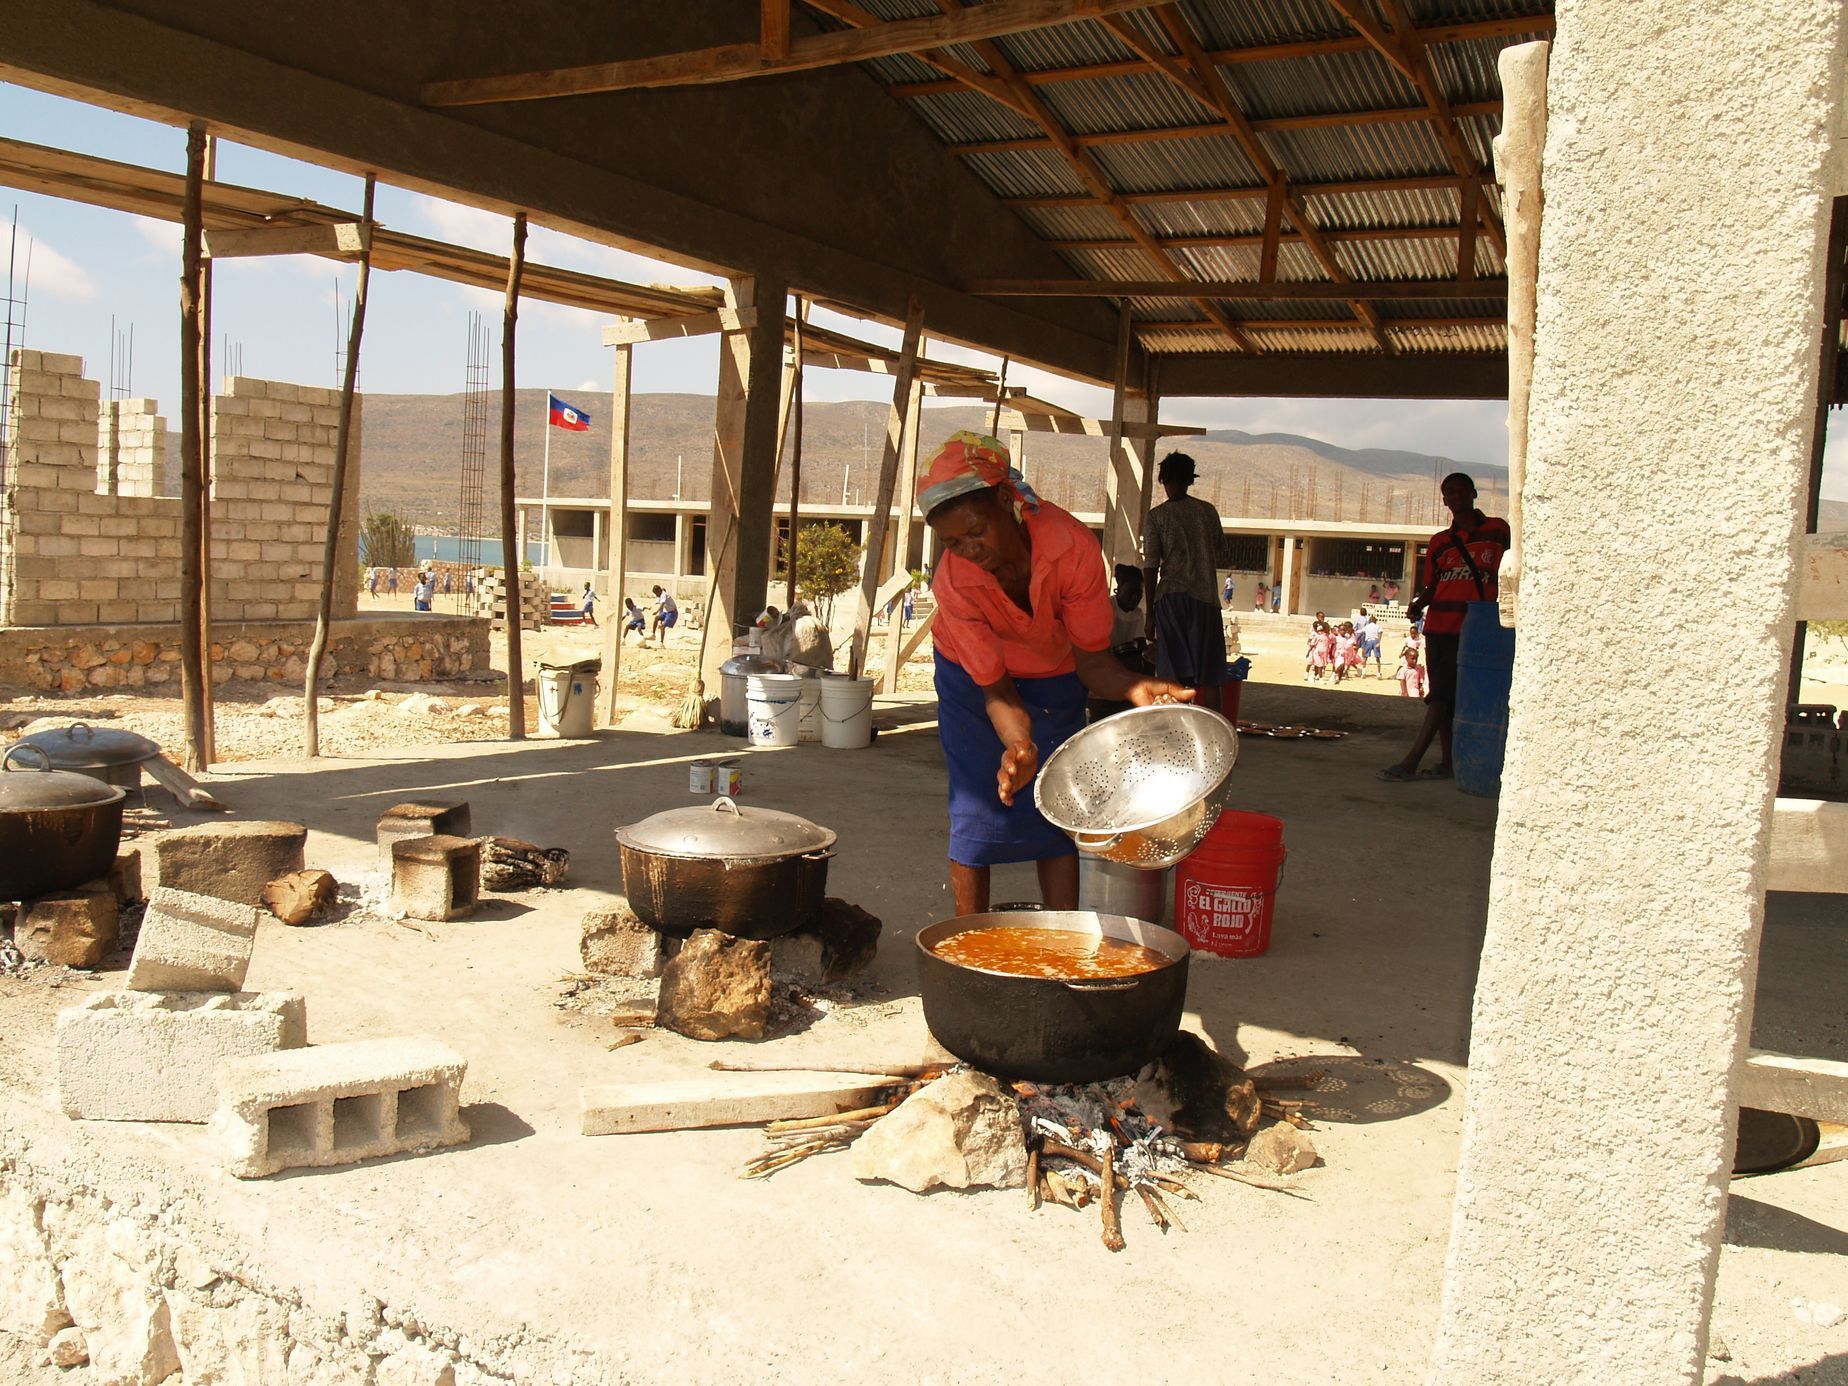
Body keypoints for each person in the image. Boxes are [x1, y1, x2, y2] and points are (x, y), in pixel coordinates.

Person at [921, 432, 1188, 916]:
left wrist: (1132, 685)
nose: (969, 550)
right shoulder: (954, 580)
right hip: (972, 681)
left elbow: (1092, 663)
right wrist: (1019, 745)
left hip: (1055, 673)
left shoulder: (1071, 549)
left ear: (1006, 501)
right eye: (953, 542)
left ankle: (1063, 933)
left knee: (1060, 805)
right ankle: (965, 947)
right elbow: (996, 687)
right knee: (976, 810)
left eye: (976, 532)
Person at [1378, 472, 1510, 782]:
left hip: (1474, 627)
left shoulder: (1497, 530)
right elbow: (1435, 585)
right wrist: (1418, 604)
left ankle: (1411, 762)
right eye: (1450, 492)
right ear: (1444, 500)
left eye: (1462, 490)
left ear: (1474, 494)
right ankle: (1449, 762)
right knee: (1444, 698)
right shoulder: (1440, 542)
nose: (1457, 496)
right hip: (1438, 627)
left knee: (1439, 697)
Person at [1142, 452, 1228, 715]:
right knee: (1210, 677)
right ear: (1190, 479)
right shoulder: (1207, 511)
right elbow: (1220, 550)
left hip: (1171, 600)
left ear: (1164, 479)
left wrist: (1150, 614)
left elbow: (1151, 566)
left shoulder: (1157, 516)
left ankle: (1178, 736)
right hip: (1206, 601)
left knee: (1173, 679)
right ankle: (1219, 738)